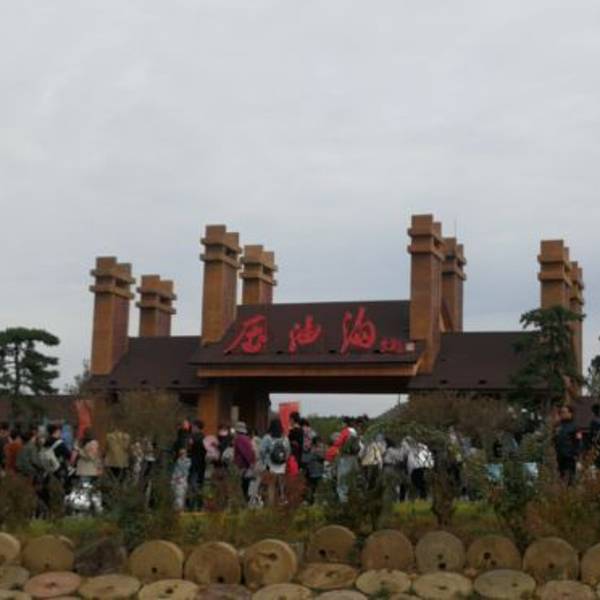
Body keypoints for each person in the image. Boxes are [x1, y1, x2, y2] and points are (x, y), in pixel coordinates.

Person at [260, 419, 290, 506]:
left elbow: (261, 451)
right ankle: (282, 499)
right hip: (281, 466)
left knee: (270, 485)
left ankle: (270, 504)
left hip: (270, 465)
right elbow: (288, 452)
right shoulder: (285, 438)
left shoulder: (267, 438)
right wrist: (283, 460)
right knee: (281, 485)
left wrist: (264, 460)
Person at [554, 405, 580, 484]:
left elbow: (578, 441)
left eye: (564, 412)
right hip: (559, 456)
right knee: (561, 477)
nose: (563, 414)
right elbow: (554, 439)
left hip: (570, 456)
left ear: (570, 413)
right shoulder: (558, 427)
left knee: (570, 478)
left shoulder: (575, 427)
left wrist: (576, 454)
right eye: (561, 412)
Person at [233, 421, 256, 500]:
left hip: (242, 465)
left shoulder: (239, 439)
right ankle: (245, 498)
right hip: (246, 465)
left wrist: (250, 463)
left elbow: (246, 453)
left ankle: (244, 499)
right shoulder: (246, 438)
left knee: (242, 484)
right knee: (246, 483)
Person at [187, 420, 207, 511]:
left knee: (193, 484)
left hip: (195, 464)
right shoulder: (204, 438)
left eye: (193, 427)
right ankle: (199, 504)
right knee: (199, 484)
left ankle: (192, 505)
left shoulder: (195, 438)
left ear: (196, 427)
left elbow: (190, 447)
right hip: (201, 464)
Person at [171, 447, 191, 511]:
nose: (182, 455)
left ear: (186, 454)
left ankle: (179, 509)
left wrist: (179, 477)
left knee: (181, 496)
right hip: (176, 481)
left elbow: (185, 471)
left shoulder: (187, 461)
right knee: (177, 496)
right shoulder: (178, 461)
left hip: (182, 481)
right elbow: (175, 472)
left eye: (183, 453)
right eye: (181, 453)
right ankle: (177, 509)